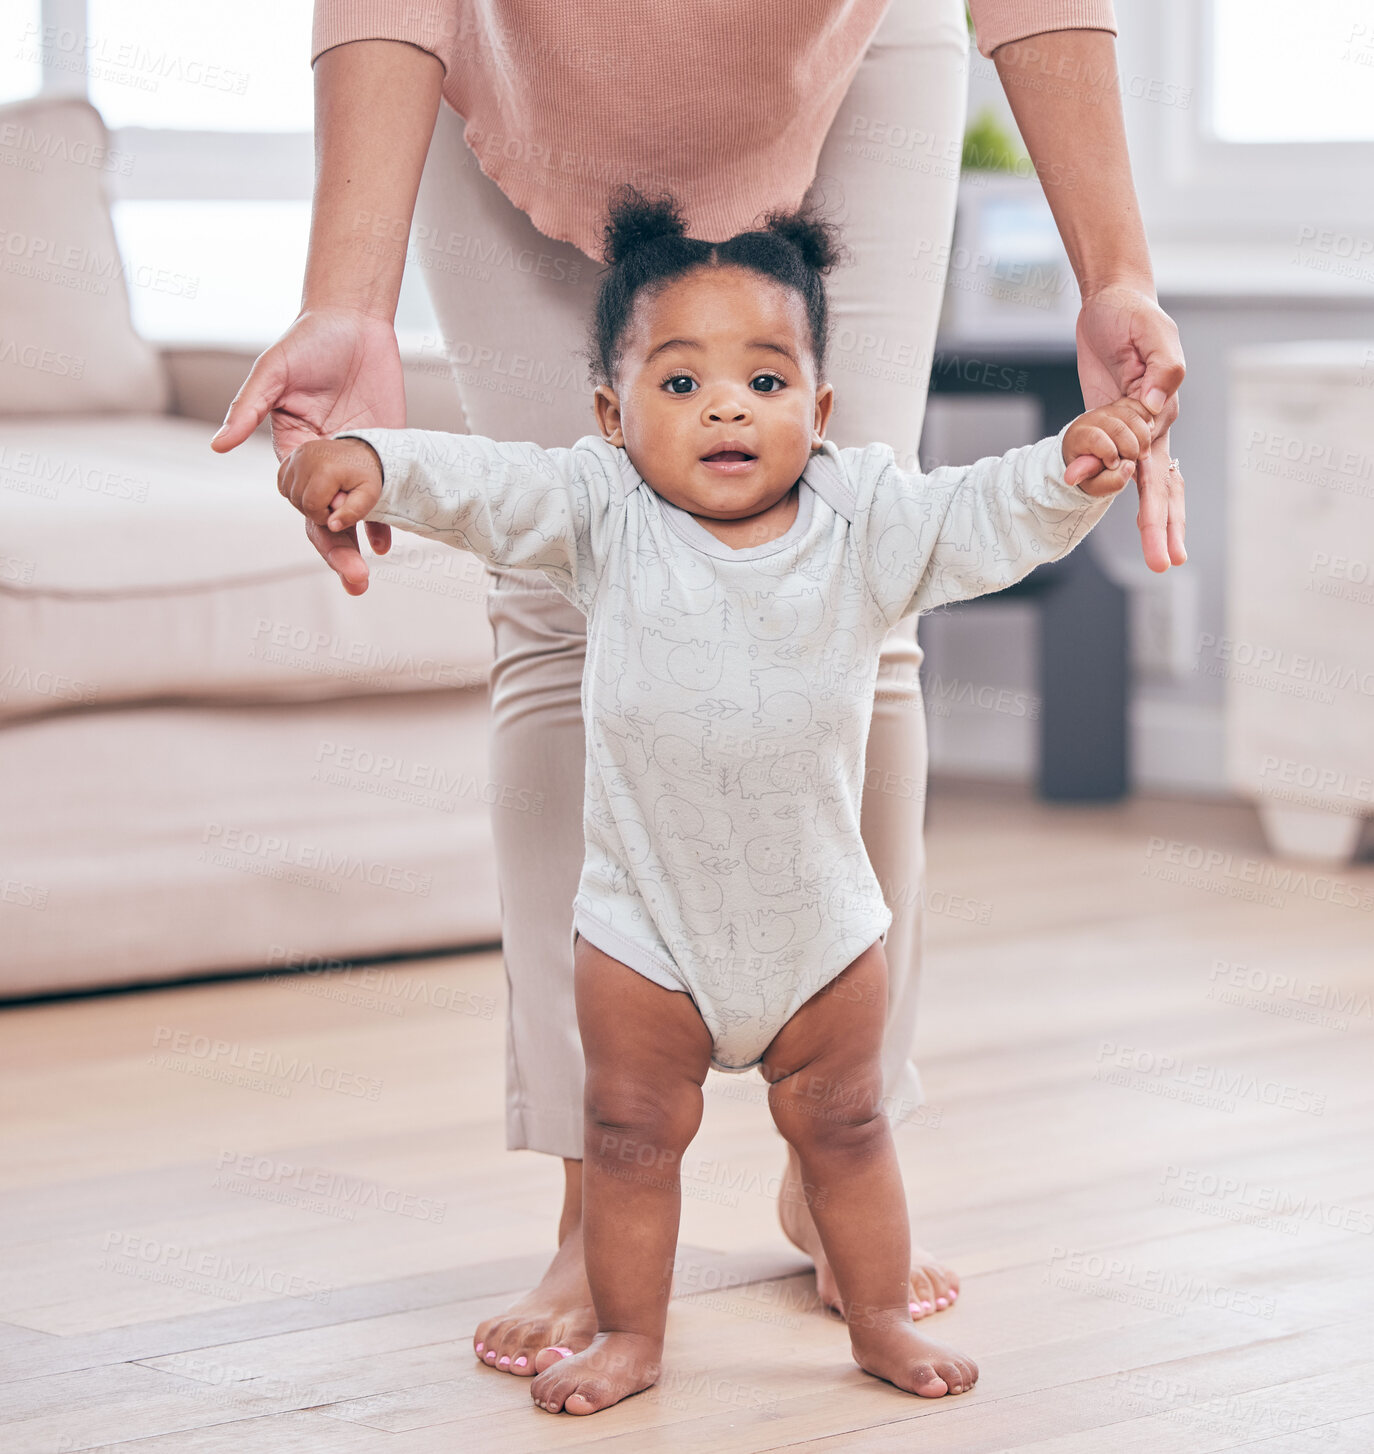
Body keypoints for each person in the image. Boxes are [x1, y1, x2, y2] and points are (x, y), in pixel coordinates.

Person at [213, 0, 1186, 1376]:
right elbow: (506, 492)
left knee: (876, 579)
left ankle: (844, 1140)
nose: (726, 408)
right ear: (625, 411)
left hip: (845, 39)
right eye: (683, 386)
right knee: (551, 608)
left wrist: (1114, 270)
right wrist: (349, 319)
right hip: (512, 53)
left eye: (761, 389)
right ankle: (590, 1174)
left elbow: (970, 517)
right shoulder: (591, 466)